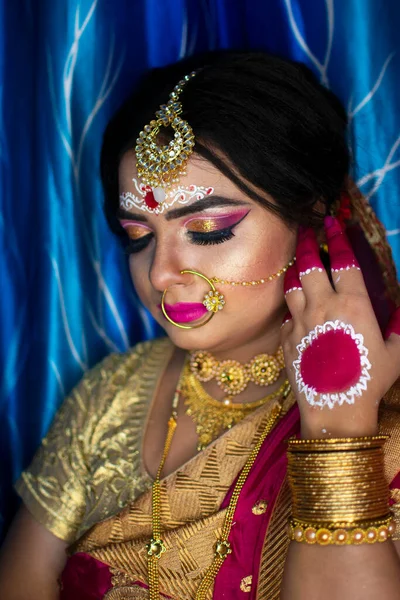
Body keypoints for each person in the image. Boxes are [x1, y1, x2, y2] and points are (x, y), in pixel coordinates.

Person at [0, 50, 399, 600]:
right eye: (139, 237)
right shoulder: (112, 393)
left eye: (208, 229)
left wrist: (341, 431)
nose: (163, 273)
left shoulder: (388, 420)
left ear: (310, 221)